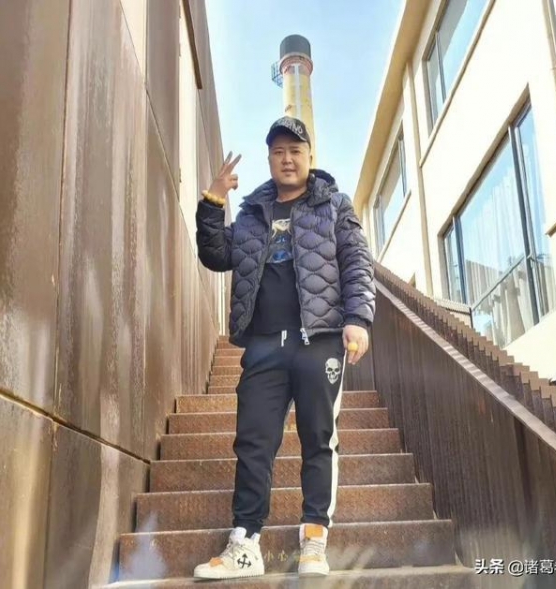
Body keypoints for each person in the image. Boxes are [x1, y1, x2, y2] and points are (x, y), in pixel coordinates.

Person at [193, 116, 375, 580]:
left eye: (295, 150)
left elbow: (356, 262)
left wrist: (357, 320)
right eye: (278, 151)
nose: (287, 159)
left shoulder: (334, 205)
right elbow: (216, 255)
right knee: (253, 441)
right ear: (270, 158)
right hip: (264, 345)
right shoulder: (252, 212)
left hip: (320, 341)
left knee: (318, 438)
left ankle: (314, 541)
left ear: (309, 156)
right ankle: (244, 545)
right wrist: (213, 200)